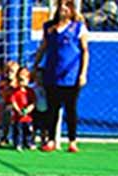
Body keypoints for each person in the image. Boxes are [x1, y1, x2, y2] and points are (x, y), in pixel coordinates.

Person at [33, 0, 89, 153]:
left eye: (67, 5)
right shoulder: (49, 27)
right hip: (52, 74)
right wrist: (35, 65)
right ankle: (51, 140)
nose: (63, 8)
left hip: (71, 76)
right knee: (52, 108)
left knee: (71, 109)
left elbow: (84, 51)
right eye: (61, 5)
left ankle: (72, 140)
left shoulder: (78, 27)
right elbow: (43, 47)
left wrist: (83, 73)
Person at [10, 67, 36, 150]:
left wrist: (28, 109)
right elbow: (13, 101)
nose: (22, 82)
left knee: (28, 131)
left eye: (24, 79)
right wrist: (18, 110)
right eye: (20, 79)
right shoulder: (15, 91)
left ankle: (28, 143)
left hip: (28, 118)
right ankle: (18, 143)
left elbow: (33, 102)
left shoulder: (30, 91)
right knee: (18, 131)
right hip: (18, 117)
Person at [0, 60, 19, 146]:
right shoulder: (3, 82)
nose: (9, 73)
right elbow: (2, 93)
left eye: (12, 71)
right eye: (7, 71)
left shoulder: (18, 82)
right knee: (5, 122)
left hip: (18, 106)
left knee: (17, 123)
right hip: (7, 104)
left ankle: (17, 138)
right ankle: (4, 137)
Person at [31, 68, 49, 146]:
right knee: (34, 126)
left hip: (45, 110)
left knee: (44, 127)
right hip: (35, 110)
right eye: (37, 77)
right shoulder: (33, 88)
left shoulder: (47, 89)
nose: (39, 80)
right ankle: (32, 140)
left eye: (41, 77)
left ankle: (44, 141)